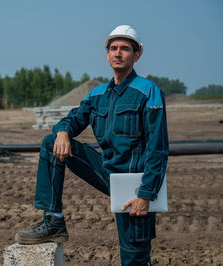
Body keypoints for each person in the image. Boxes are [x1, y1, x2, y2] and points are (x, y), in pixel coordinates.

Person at [15, 25, 169, 265]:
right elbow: (73, 118)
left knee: (133, 257)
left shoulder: (148, 91)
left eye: (125, 49)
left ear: (136, 55)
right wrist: (63, 131)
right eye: (113, 48)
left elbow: (157, 148)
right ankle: (53, 220)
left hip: (133, 184)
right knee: (50, 143)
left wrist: (145, 194)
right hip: (105, 171)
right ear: (107, 54)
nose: (118, 53)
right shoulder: (97, 95)